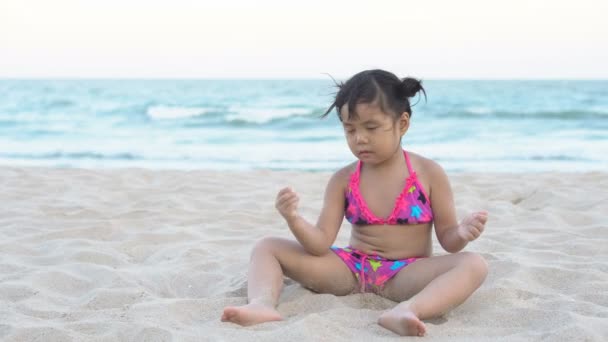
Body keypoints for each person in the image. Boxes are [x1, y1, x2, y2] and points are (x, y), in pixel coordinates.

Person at [221, 69, 488, 336]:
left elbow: (449, 241)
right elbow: (320, 243)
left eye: (371, 128)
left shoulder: (429, 173)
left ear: (402, 124)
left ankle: (409, 310)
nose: (359, 138)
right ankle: (262, 304)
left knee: (473, 264)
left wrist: (462, 233)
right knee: (267, 246)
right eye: (350, 129)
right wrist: (294, 219)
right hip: (351, 270)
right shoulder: (343, 179)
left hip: (406, 274)